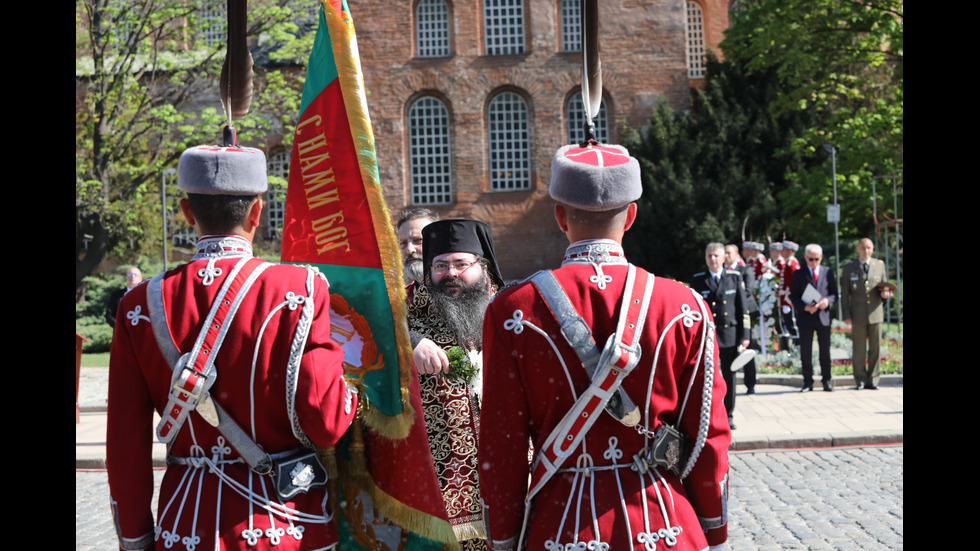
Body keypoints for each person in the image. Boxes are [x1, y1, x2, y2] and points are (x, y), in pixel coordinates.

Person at [479, 143, 731, 551]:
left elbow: (501, 443)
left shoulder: (513, 310)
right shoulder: (685, 306)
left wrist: (504, 538)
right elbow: (707, 436)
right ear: (631, 215)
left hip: (561, 528)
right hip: (663, 524)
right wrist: (714, 532)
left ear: (559, 216)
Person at [106, 145, 357, 550]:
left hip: (186, 526)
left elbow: (125, 445)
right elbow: (326, 422)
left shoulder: (139, 306)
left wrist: (135, 539)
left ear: (188, 213)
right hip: (287, 525)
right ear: (257, 212)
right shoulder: (302, 289)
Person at [407, 218, 505, 550]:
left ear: (483, 266)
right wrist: (410, 341)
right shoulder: (404, 312)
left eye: (461, 264)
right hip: (437, 492)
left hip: (510, 483)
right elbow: (359, 329)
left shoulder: (510, 312)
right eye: (440, 265)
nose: (450, 274)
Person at [691, 243, 751, 429]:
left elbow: (743, 309)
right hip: (708, 336)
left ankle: (729, 414)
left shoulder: (734, 277)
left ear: (724, 257)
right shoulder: (698, 280)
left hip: (730, 335)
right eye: (709, 256)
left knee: (729, 376)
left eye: (716, 255)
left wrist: (745, 334)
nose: (713, 259)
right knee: (707, 377)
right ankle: (708, 415)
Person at [840, 238, 894, 390]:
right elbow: (845, 293)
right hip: (858, 314)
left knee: (875, 348)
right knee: (859, 349)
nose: (866, 251)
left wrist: (886, 295)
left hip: (875, 313)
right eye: (863, 248)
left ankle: (874, 380)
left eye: (869, 248)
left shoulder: (879, 265)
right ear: (858, 248)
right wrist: (846, 315)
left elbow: (885, 287)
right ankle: (860, 380)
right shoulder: (849, 267)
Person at [791, 244, 838, 392]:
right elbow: (794, 297)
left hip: (823, 317)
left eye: (817, 259)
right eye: (811, 259)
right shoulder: (799, 274)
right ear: (805, 258)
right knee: (806, 351)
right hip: (806, 317)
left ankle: (826, 380)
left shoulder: (828, 272)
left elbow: (834, 294)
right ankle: (808, 382)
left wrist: (827, 302)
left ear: (821, 258)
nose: (814, 262)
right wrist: (805, 307)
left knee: (825, 351)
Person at [397, 207, 439, 285]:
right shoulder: (398, 295)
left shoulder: (458, 290)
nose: (409, 249)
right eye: (403, 243)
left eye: (418, 240)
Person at [779, 240, 802, 348]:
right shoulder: (788, 263)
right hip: (786, 300)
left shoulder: (792, 264)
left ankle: (798, 350)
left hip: (790, 301)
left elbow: (796, 284)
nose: (781, 252)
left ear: (790, 251)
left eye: (783, 250)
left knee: (794, 326)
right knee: (789, 325)